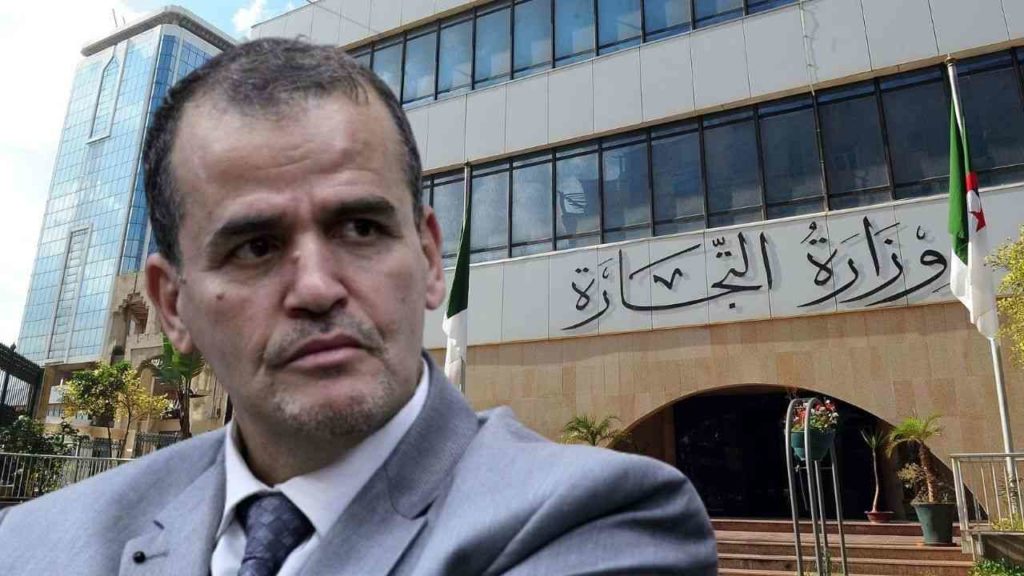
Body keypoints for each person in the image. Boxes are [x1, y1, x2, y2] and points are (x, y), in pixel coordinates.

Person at [0, 39, 716, 575]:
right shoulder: (38, 543)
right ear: (172, 305)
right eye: (255, 247)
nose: (316, 288)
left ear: (429, 259)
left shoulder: (596, 520)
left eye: (362, 229)